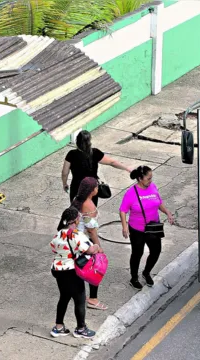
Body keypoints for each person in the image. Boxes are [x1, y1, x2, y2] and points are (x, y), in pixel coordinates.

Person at [120, 166, 175, 290]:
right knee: (137, 254)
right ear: (140, 178)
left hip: (153, 227)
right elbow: (123, 210)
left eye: (151, 178)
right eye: (148, 178)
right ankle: (134, 278)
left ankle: (146, 272)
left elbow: (159, 202)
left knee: (156, 251)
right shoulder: (131, 193)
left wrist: (168, 213)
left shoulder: (153, 187)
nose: (150, 181)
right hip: (137, 229)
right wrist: (124, 227)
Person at [50, 207, 101, 339]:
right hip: (71, 271)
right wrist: (96, 246)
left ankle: (58, 327)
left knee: (64, 297)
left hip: (58, 270)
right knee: (80, 299)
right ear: (75, 220)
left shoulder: (59, 233)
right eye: (79, 218)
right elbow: (89, 250)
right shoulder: (77, 234)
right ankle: (81, 329)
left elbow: (54, 249)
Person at [62, 130, 133, 206]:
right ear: (89, 142)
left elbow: (65, 173)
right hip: (92, 188)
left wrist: (65, 184)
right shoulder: (95, 153)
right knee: (91, 211)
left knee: (76, 210)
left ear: (77, 141)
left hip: (77, 187)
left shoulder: (71, 154)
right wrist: (127, 168)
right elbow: (112, 162)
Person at [71, 177, 107, 311]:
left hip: (76, 240)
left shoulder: (77, 200)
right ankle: (92, 299)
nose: (98, 189)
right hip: (86, 241)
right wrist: (98, 247)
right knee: (95, 269)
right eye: (96, 187)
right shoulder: (89, 205)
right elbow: (91, 230)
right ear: (92, 191)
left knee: (79, 267)